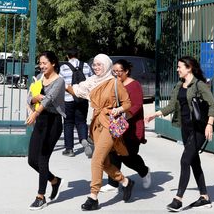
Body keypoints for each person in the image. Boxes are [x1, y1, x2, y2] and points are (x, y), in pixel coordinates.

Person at [145, 55, 214, 211]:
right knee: (194, 162)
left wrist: (209, 125)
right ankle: (204, 197)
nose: (177, 69)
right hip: (185, 128)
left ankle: (178, 200)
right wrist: (155, 114)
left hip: (198, 128)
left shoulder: (199, 85)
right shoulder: (179, 85)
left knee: (185, 160)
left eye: (180, 67)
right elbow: (172, 105)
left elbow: (213, 106)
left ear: (189, 68)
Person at [66, 53, 135, 211]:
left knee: (96, 159)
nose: (96, 68)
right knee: (104, 163)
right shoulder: (91, 82)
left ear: (107, 66)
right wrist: (59, 83)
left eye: (100, 65)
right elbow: (77, 91)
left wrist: (118, 109)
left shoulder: (114, 82)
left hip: (109, 124)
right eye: (95, 65)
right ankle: (125, 182)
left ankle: (93, 196)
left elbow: (127, 103)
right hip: (96, 124)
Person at [102, 58, 151, 192]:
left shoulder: (134, 85)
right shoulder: (114, 84)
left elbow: (136, 105)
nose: (116, 74)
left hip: (131, 128)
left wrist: (123, 116)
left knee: (128, 157)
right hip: (115, 126)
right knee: (112, 154)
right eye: (114, 71)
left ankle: (144, 171)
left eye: (119, 71)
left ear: (127, 71)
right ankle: (113, 182)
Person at [25, 51, 66, 210]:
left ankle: (40, 196)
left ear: (53, 63)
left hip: (53, 122)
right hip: (40, 122)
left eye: (45, 63)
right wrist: (35, 99)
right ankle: (55, 181)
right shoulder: (39, 78)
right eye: (40, 63)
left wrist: (35, 112)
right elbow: (30, 97)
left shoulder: (59, 81)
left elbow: (48, 99)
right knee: (32, 160)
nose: (41, 66)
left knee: (42, 159)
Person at [59, 48, 93, 157]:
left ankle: (69, 149)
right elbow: (91, 81)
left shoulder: (64, 68)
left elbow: (60, 83)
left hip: (68, 99)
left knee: (68, 123)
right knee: (81, 121)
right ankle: (83, 139)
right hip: (82, 98)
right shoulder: (86, 66)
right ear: (78, 55)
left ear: (67, 56)